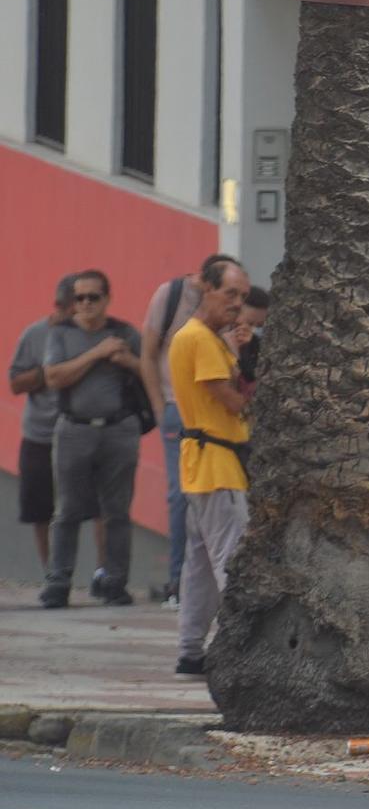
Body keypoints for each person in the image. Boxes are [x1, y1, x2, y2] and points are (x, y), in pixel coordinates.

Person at [39, 271, 145, 608]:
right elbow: (54, 378)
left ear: (107, 299)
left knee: (116, 511)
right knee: (67, 510)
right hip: (74, 429)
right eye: (79, 298)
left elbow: (153, 372)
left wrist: (127, 360)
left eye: (93, 297)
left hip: (119, 429)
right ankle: (58, 581)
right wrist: (97, 354)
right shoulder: (61, 334)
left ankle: (114, 581)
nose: (85, 304)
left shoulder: (125, 333)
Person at [168, 256, 251, 676]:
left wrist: (239, 349)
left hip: (203, 464)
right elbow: (233, 400)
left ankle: (190, 648)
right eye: (230, 294)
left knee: (199, 565)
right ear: (207, 289)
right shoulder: (199, 339)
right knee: (231, 561)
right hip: (218, 465)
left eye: (243, 296)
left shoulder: (210, 338)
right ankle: (243, 650)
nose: (237, 304)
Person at [140, 257, 227, 605]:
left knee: (219, 493)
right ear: (205, 282)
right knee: (181, 496)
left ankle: (212, 582)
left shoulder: (226, 309)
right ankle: (178, 582)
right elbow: (147, 354)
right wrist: (160, 409)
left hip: (215, 412)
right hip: (178, 409)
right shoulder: (172, 295)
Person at [10, 275, 75, 572]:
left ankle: (96, 571)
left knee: (87, 507)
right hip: (39, 434)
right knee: (40, 509)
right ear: (58, 306)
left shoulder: (90, 335)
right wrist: (48, 373)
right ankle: (51, 571)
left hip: (78, 432)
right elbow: (15, 382)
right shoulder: (34, 334)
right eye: (70, 309)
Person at [231, 286, 270, 397]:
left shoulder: (257, 342)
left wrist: (244, 348)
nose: (253, 329)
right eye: (249, 323)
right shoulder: (216, 338)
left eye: (259, 325)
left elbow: (251, 375)